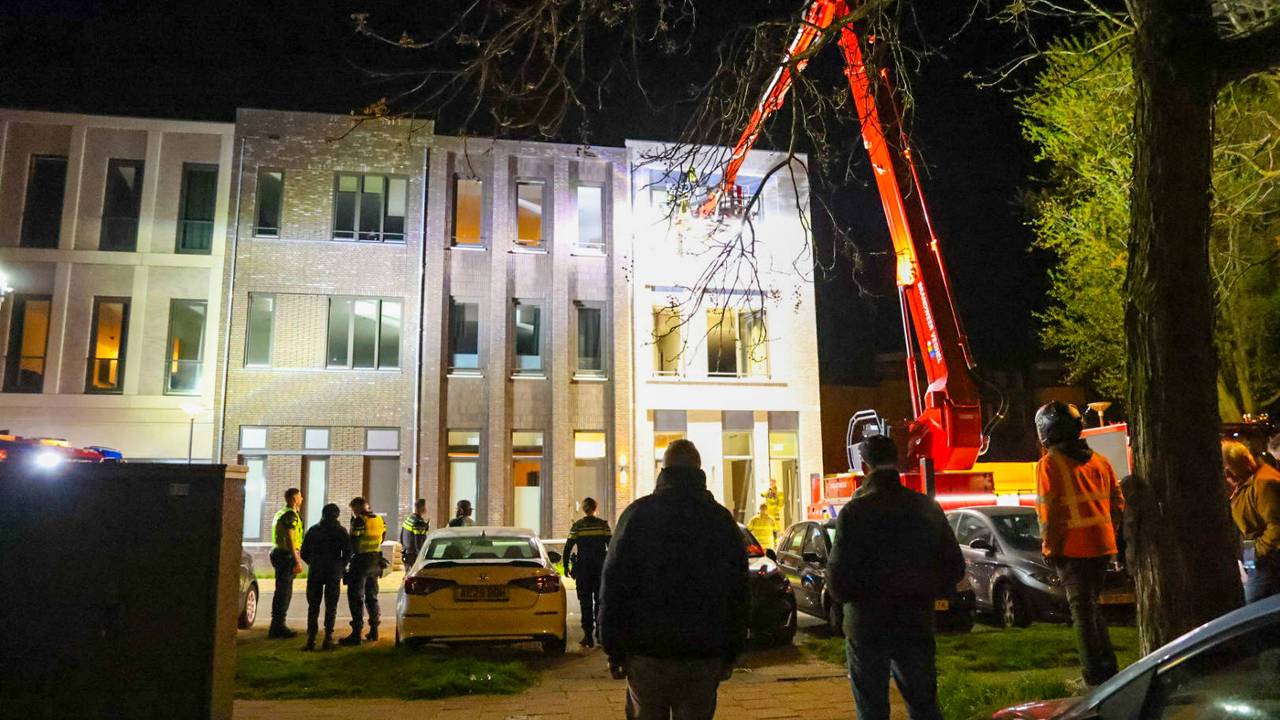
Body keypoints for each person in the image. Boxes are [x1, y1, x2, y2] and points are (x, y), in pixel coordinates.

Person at [599, 440, 748, 720]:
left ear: (663, 469)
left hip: (647, 652)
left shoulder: (638, 515)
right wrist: (733, 650)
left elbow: (614, 583)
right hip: (703, 653)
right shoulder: (720, 521)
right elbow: (738, 589)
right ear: (699, 470)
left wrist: (613, 648)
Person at [826, 434, 964, 720]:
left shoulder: (854, 512)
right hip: (914, 619)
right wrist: (923, 591)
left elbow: (838, 579)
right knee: (923, 703)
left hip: (867, 623)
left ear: (865, 467)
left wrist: (857, 597)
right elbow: (954, 567)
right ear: (898, 464)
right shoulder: (924, 507)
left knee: (872, 707)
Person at [1034, 401, 1125, 687]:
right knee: (1091, 608)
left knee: (1081, 614)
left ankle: (1094, 677)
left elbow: (1050, 513)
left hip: (1073, 549)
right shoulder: (1100, 461)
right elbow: (1118, 504)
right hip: (1103, 547)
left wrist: (1050, 548)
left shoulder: (1049, 464)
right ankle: (1109, 670)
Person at [1222, 439, 1280, 602]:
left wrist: (1255, 553)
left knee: (1251, 603)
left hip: (1266, 561)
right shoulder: (1246, 482)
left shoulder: (1264, 484)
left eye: (1227, 472)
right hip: (1254, 554)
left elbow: (1276, 528)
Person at [299, 503, 350, 651]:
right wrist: (340, 566)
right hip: (333, 572)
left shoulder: (314, 531)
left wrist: (313, 563)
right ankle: (328, 638)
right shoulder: (341, 532)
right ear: (337, 515)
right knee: (331, 605)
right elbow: (348, 552)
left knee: (313, 607)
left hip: (316, 572)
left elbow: (304, 552)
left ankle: (311, 639)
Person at [564, 497, 612, 648]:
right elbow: (611, 547)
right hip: (599, 568)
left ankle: (587, 636)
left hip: (583, 569)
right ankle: (599, 633)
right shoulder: (603, 525)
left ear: (584, 509)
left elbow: (568, 547)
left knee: (585, 602)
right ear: (595, 508)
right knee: (599, 601)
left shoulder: (578, 526)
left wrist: (566, 566)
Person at [340, 497, 386, 646]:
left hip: (361, 562)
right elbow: (382, 537)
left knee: (356, 596)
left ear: (358, 507)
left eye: (353, 509)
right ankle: (374, 630)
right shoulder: (379, 519)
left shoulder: (359, 521)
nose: (353, 512)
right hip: (375, 560)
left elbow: (352, 543)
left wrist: (345, 562)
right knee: (372, 596)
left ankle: (356, 633)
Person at [268, 487, 304, 639]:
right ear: (295, 499)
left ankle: (277, 625)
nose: (302, 499)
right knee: (284, 592)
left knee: (281, 590)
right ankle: (278, 626)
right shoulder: (290, 515)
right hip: (286, 556)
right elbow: (289, 537)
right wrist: (297, 560)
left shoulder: (280, 513)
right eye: (300, 497)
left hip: (279, 553)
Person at [400, 498, 430, 569]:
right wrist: (422, 557)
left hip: (406, 553)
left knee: (408, 576)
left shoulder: (409, 518)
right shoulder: (419, 523)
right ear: (422, 507)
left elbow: (401, 536)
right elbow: (419, 543)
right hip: (414, 555)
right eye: (426, 506)